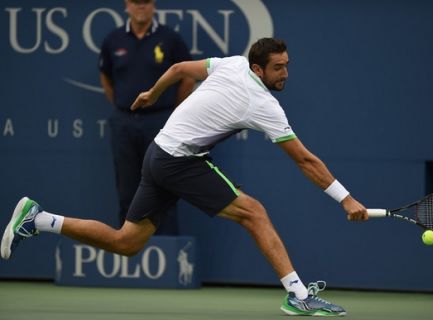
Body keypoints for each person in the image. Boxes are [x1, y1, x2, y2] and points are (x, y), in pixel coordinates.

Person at [1, 38, 368, 317]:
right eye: (277, 68)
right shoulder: (264, 105)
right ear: (258, 70)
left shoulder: (232, 63)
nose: (285, 74)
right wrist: (346, 199)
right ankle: (298, 295)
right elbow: (305, 160)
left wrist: (152, 93)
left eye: (287, 66)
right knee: (254, 213)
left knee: (126, 242)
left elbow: (178, 70)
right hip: (178, 160)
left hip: (159, 151)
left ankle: (39, 219)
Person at [99, 0, 195, 233]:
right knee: (127, 189)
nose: (141, 6)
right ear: (127, 5)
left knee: (165, 187)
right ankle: (129, 253)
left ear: (153, 5)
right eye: (135, 2)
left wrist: (172, 112)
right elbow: (106, 78)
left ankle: (167, 253)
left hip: (161, 122)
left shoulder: (170, 39)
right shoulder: (113, 40)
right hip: (124, 122)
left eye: (146, 2)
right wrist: (127, 108)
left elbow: (188, 78)